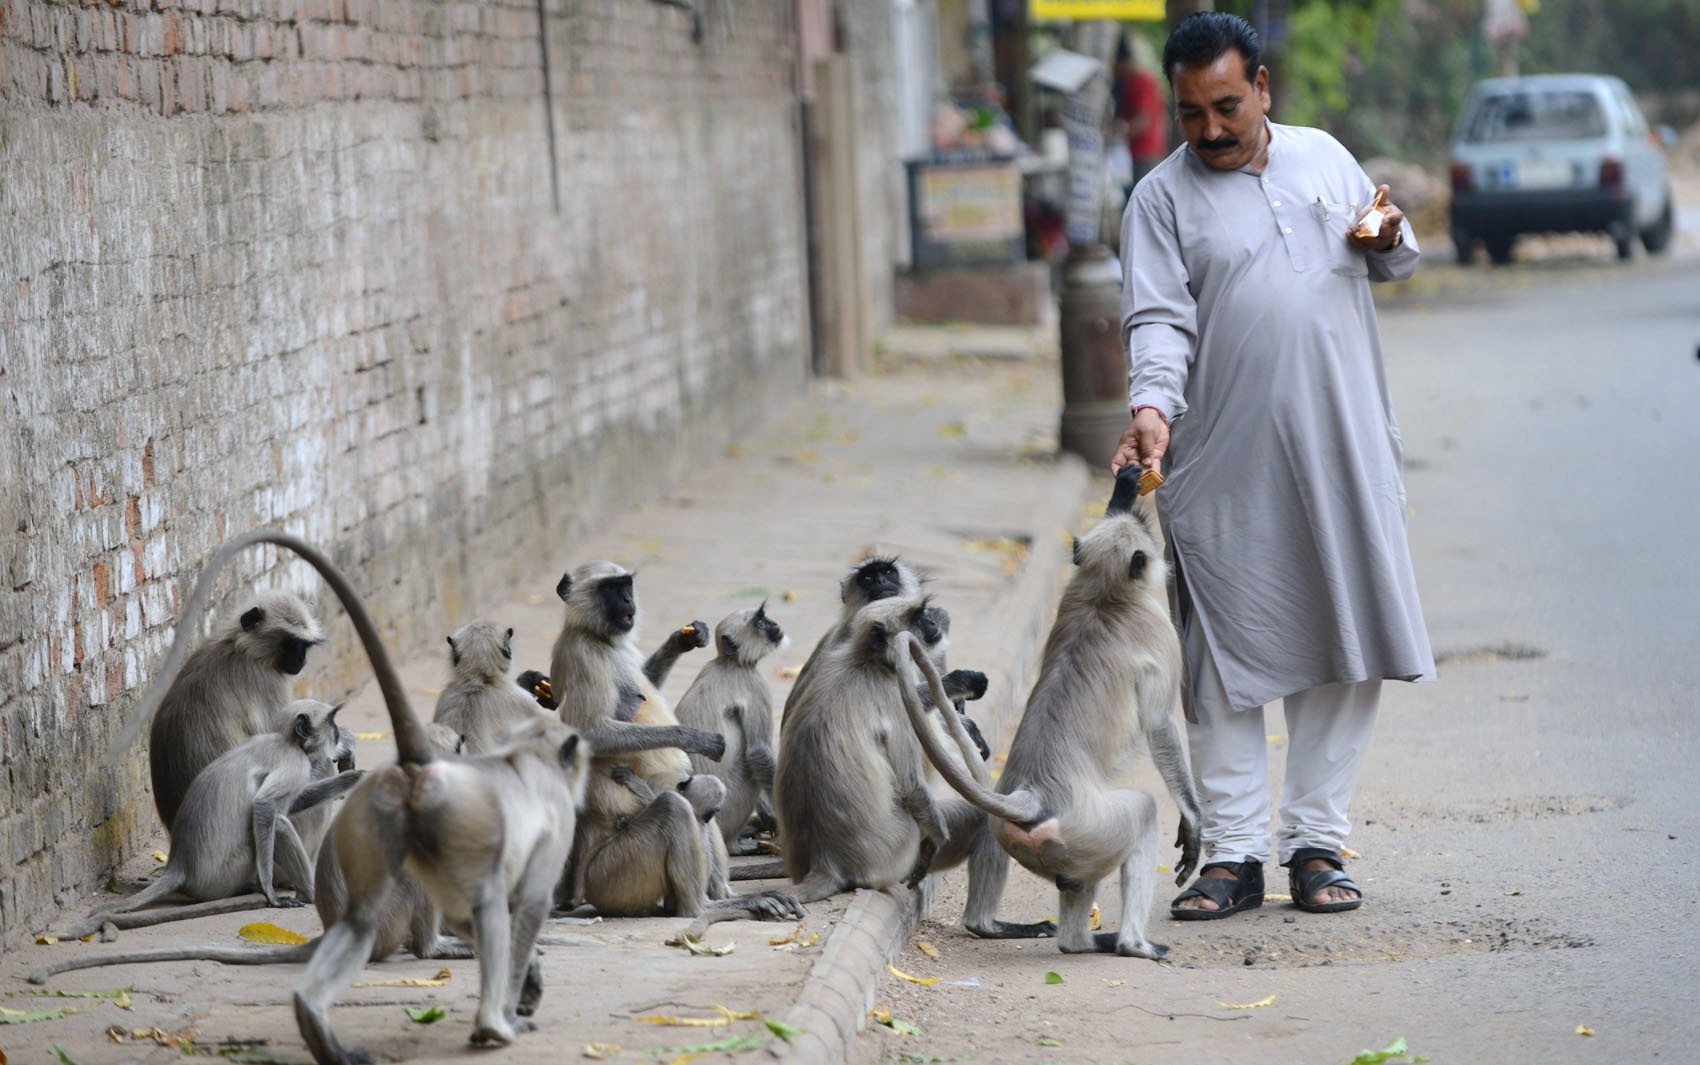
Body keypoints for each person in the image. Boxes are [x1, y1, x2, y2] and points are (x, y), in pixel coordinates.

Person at [1112, 12, 1435, 920]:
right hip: (1225, 458)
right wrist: (1149, 411)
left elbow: (1392, 251)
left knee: (1348, 640)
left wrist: (1387, 235)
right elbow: (1158, 322)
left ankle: (1315, 844)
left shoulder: (1324, 156)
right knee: (1222, 659)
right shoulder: (1161, 201)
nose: (1210, 130)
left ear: (1262, 87)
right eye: (1190, 114)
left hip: (1345, 447)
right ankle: (1233, 853)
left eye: (1226, 107)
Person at [1115, 35, 1169, 190]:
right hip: (1138, 153)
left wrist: (1119, 131)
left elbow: (1143, 121)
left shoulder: (1141, 82)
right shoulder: (1130, 83)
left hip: (1147, 153)